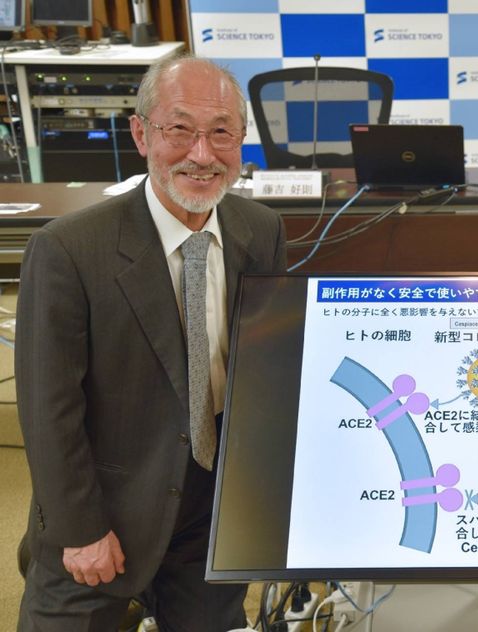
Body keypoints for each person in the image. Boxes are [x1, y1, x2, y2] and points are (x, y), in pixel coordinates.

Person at [16, 54, 286, 631]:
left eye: (221, 133)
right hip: (103, 509)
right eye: (180, 130)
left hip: (209, 512)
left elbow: (264, 373)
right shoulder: (68, 249)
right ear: (141, 134)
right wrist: (79, 527)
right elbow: (47, 409)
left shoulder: (259, 230)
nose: (202, 154)